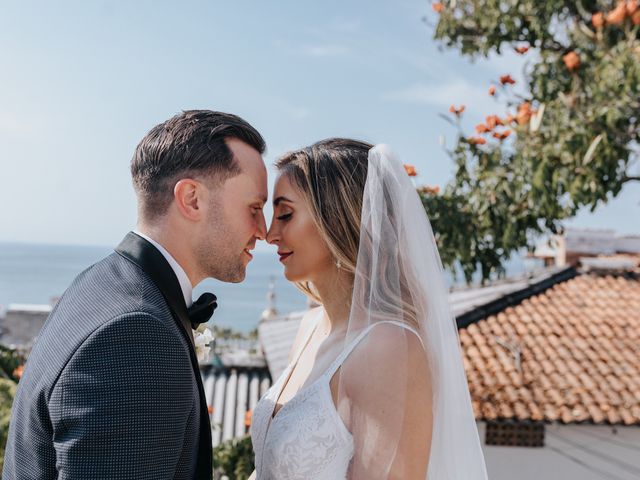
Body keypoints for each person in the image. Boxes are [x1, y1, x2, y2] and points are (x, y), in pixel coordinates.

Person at [2, 110, 268, 480]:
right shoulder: (137, 336)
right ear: (192, 199)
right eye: (255, 208)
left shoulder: (99, 282)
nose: (264, 230)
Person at [250, 139, 488, 479]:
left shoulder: (387, 346)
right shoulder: (310, 327)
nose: (270, 234)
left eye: (286, 214)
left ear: (337, 218)